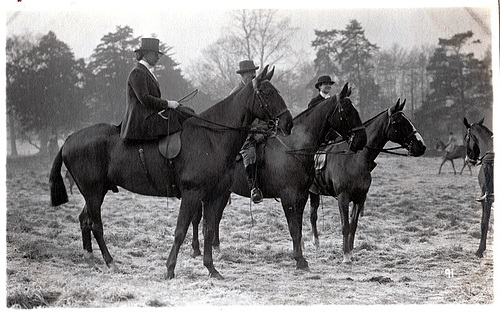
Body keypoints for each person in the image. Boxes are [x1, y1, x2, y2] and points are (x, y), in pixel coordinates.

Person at [120, 38, 192, 140]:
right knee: (183, 114)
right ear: (145, 54)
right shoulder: (137, 72)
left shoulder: (146, 71)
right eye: (155, 54)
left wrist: (170, 106)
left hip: (150, 118)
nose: (158, 57)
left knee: (186, 111)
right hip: (141, 123)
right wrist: (168, 104)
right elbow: (145, 99)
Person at [231, 60, 263, 204]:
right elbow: (237, 120)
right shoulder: (237, 93)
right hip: (242, 134)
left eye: (254, 72)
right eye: (250, 72)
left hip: (258, 130)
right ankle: (253, 188)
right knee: (250, 153)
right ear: (243, 75)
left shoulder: (255, 90)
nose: (253, 74)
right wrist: (254, 132)